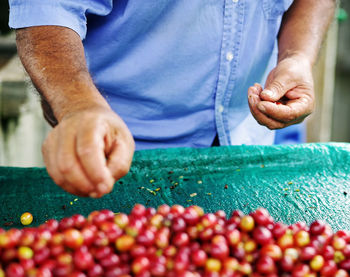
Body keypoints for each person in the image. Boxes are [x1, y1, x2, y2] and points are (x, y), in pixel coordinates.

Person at [9, 0, 335, 198]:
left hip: (248, 144)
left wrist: (296, 57)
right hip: (114, 152)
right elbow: (47, 8)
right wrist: (78, 104)